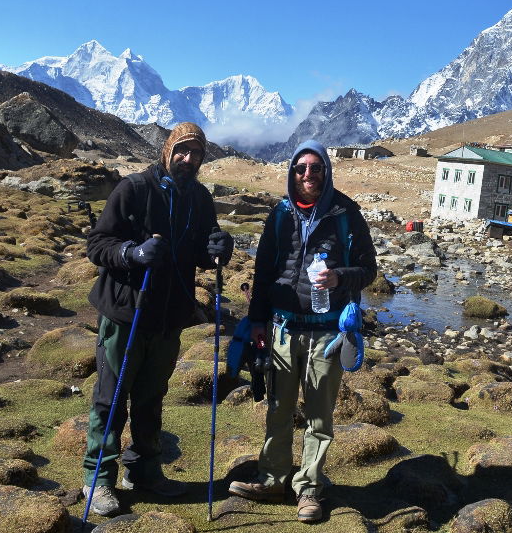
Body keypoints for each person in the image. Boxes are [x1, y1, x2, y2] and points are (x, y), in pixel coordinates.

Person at [82, 122, 234, 517]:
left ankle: (144, 470)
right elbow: (98, 244)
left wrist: (218, 248)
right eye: (181, 150)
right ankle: (97, 478)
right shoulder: (133, 188)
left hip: (169, 317)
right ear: (167, 151)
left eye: (196, 153)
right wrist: (132, 253)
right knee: (111, 398)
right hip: (126, 313)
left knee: (151, 398)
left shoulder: (200, 197)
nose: (188, 159)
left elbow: (204, 250)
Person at [228, 140, 377, 523]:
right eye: (301, 169)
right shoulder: (279, 214)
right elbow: (263, 272)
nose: (308, 175)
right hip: (281, 329)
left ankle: (309, 489)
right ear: (292, 173)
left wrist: (339, 277)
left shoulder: (347, 214)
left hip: (328, 333)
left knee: (319, 415)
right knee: (277, 409)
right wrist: (257, 320)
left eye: (315, 168)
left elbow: (369, 270)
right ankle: (273, 478)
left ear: (326, 171)